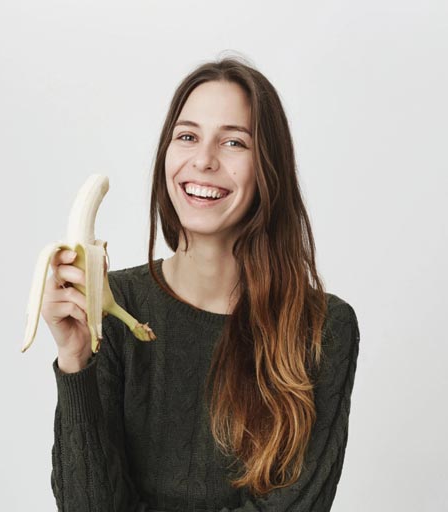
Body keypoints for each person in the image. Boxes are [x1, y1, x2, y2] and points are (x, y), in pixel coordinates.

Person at [40, 56, 361, 511]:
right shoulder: (113, 307)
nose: (204, 160)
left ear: (268, 168)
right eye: (187, 136)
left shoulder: (323, 328)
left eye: (233, 142)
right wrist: (74, 360)